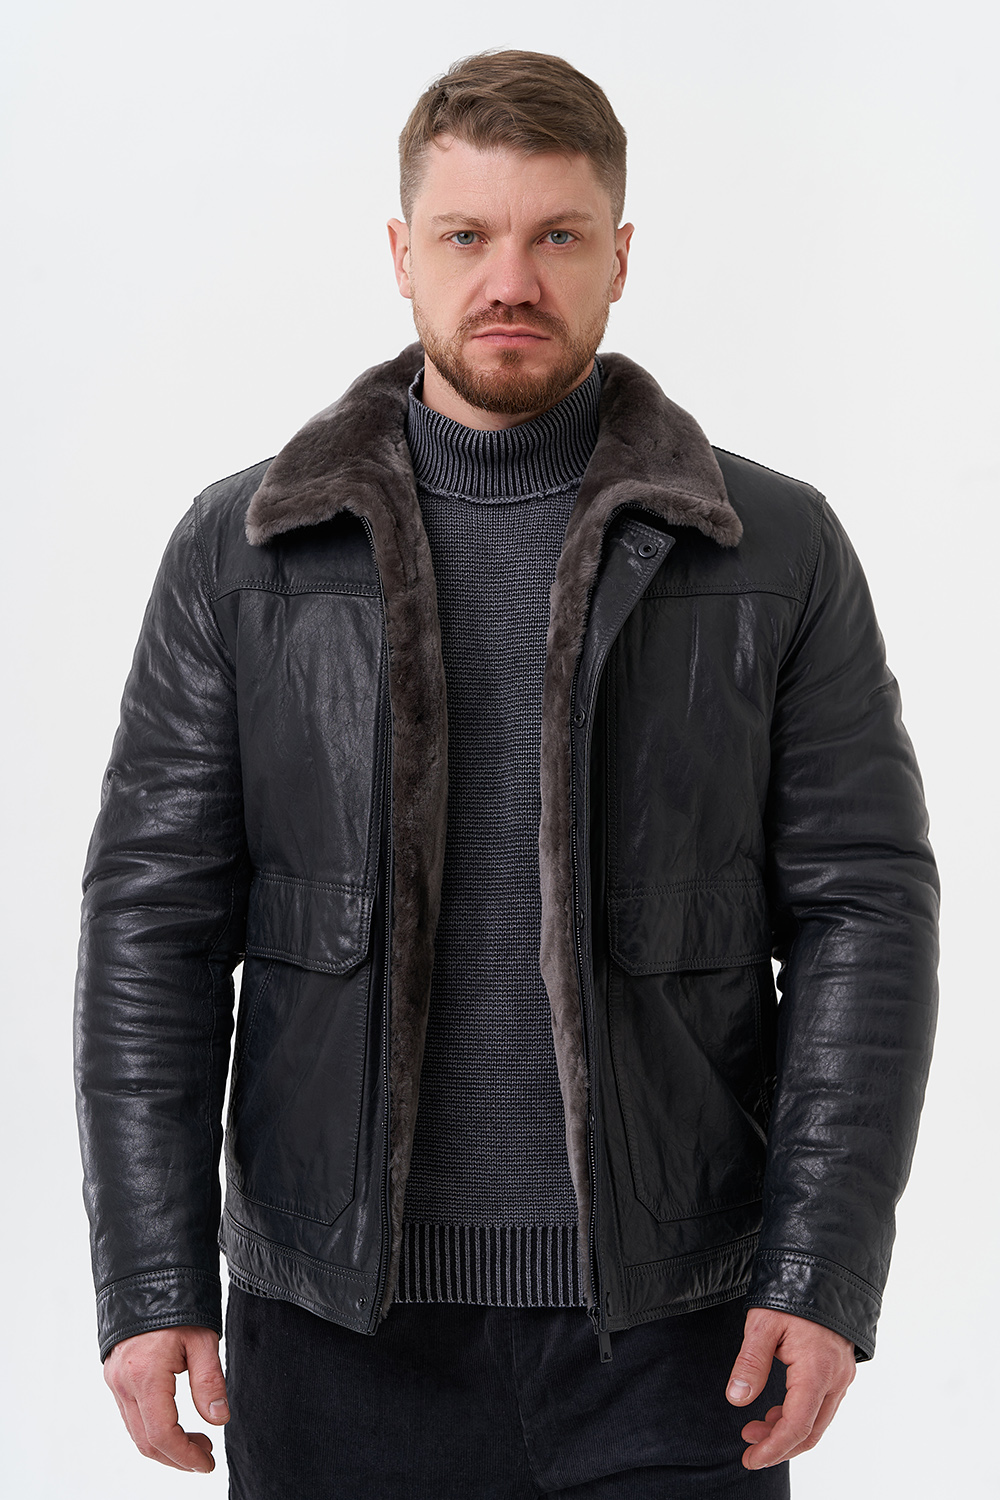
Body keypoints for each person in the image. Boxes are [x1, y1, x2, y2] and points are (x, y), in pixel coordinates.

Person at [74, 48, 939, 1499]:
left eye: (558, 236)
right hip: (333, 1337)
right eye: (468, 235)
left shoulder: (775, 548)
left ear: (621, 258)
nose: (511, 281)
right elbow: (151, 924)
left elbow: (865, 911)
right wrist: (152, 1278)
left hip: (677, 1336)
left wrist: (822, 1263)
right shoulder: (242, 551)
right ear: (401, 253)